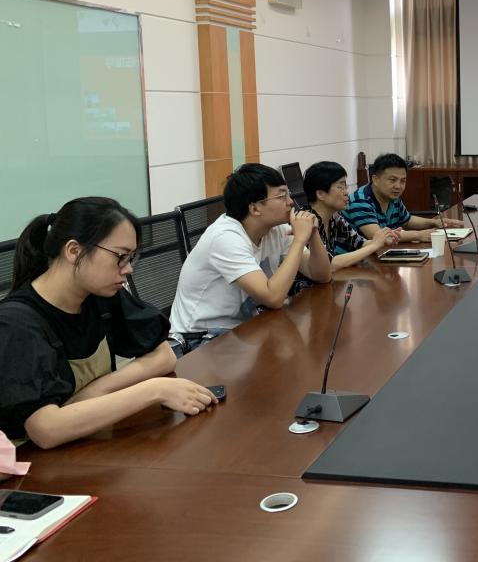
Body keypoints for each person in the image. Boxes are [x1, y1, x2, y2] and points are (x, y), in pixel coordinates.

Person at [0, 198, 216, 449]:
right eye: (120, 257)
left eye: (131, 258)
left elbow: (163, 355)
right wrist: (154, 390)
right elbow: (46, 430)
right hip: (32, 462)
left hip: (91, 444)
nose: (128, 269)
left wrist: (95, 391)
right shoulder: (16, 323)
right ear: (74, 251)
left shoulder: (99, 295)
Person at [169, 163, 331, 355]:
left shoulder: (275, 228)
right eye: (282, 196)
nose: (291, 202)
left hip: (244, 329)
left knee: (306, 351)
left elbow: (322, 275)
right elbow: (273, 298)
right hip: (199, 340)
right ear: (255, 208)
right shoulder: (225, 238)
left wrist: (312, 234)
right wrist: (299, 240)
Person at [296, 161, 399, 285]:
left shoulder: (334, 218)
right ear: (320, 194)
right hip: (304, 291)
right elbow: (330, 264)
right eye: (341, 187)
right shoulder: (305, 220)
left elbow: (359, 243)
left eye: (346, 186)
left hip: (325, 285)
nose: (346, 192)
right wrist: (374, 245)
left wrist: (383, 239)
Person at [344, 153, 462, 243]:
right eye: (392, 180)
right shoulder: (360, 201)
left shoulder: (392, 197)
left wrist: (435, 223)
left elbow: (407, 221)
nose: (398, 186)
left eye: (403, 181)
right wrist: (419, 235)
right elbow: (377, 236)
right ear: (375, 180)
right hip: (353, 262)